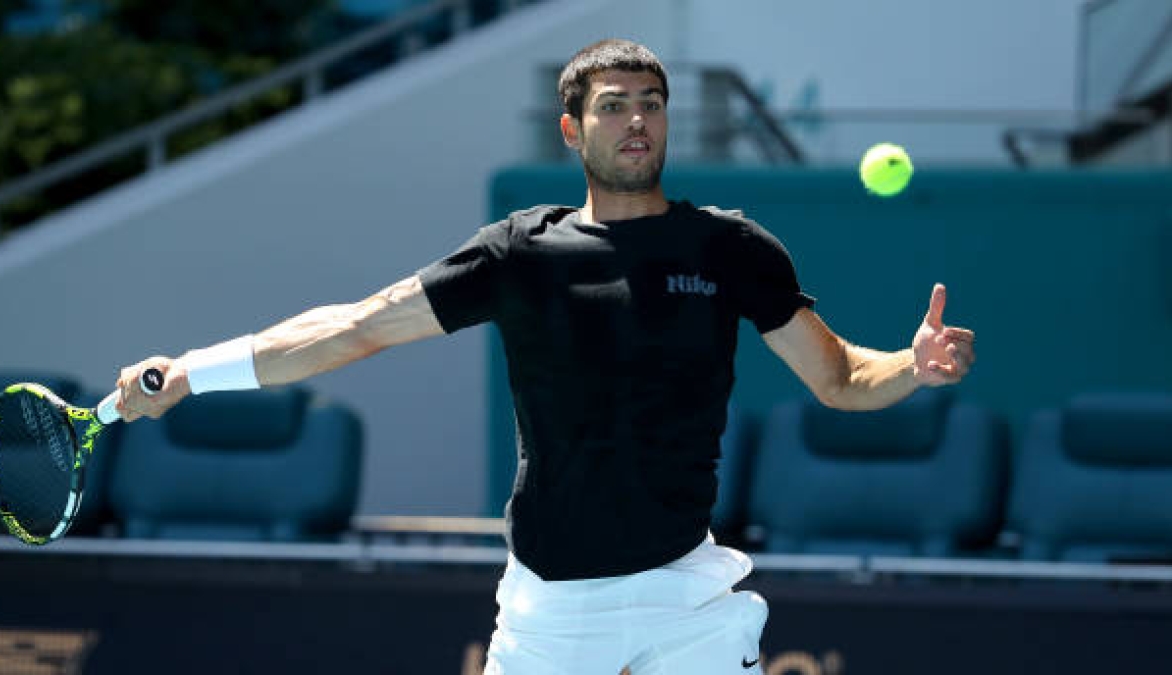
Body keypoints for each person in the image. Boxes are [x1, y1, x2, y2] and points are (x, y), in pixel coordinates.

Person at [114, 38, 975, 675]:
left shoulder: (732, 249)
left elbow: (837, 377)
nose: (636, 119)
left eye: (650, 101)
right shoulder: (518, 255)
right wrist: (193, 370)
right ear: (573, 128)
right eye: (613, 104)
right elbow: (357, 326)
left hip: (689, 594)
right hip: (549, 604)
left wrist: (911, 362)